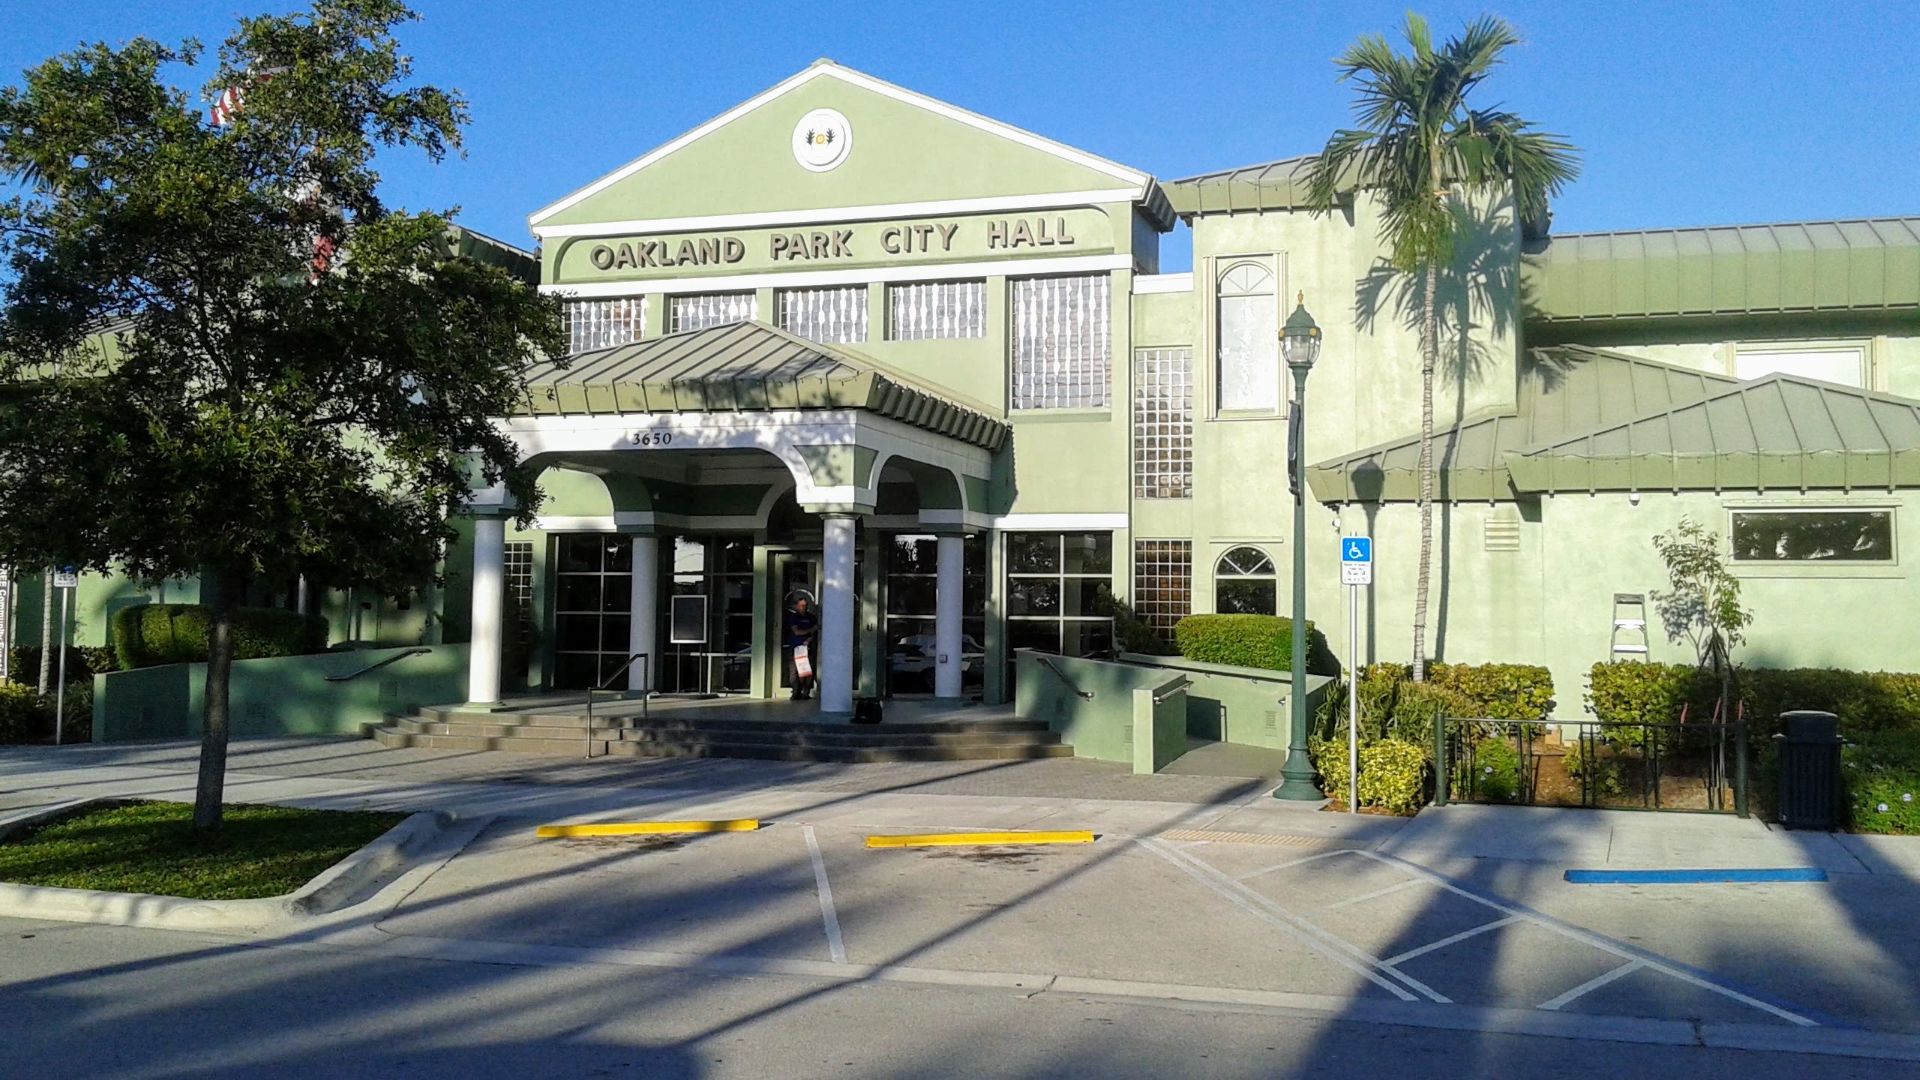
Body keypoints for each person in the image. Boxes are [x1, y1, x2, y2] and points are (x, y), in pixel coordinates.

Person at [784, 597, 819, 701]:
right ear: (797, 606)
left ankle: (806, 692)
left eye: (805, 605)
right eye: (801, 605)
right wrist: (810, 630)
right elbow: (797, 632)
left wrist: (809, 638)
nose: (804, 607)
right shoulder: (794, 617)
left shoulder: (811, 617)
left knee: (807, 671)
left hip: (807, 647)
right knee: (794, 671)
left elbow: (815, 632)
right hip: (795, 647)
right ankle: (796, 692)